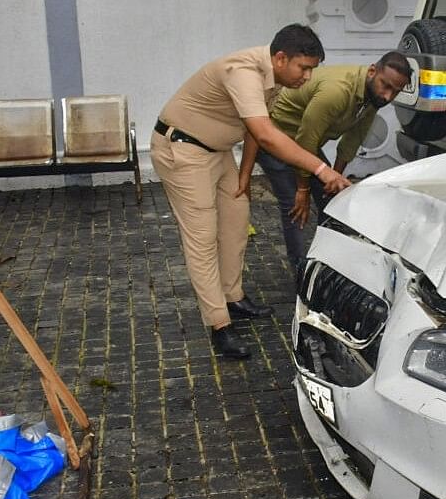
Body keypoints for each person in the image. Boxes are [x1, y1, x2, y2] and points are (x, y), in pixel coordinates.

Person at [152, 24, 350, 360]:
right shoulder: (243, 73)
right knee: (202, 238)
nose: (307, 77)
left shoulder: (272, 75)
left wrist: (244, 175)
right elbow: (267, 134)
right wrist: (321, 169)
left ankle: (233, 296)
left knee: (236, 223)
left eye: (312, 69)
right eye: (304, 68)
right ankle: (219, 324)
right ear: (280, 58)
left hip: (219, 152)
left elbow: (254, 129)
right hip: (183, 150)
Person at [238, 51, 410, 277]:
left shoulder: (373, 96)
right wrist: (303, 189)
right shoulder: (337, 91)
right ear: (371, 72)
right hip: (276, 136)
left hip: (305, 142)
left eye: (395, 91)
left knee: (334, 200)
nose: (388, 96)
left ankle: (329, 260)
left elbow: (352, 140)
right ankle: (301, 272)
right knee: (295, 206)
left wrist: (334, 179)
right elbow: (306, 138)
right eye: (385, 86)